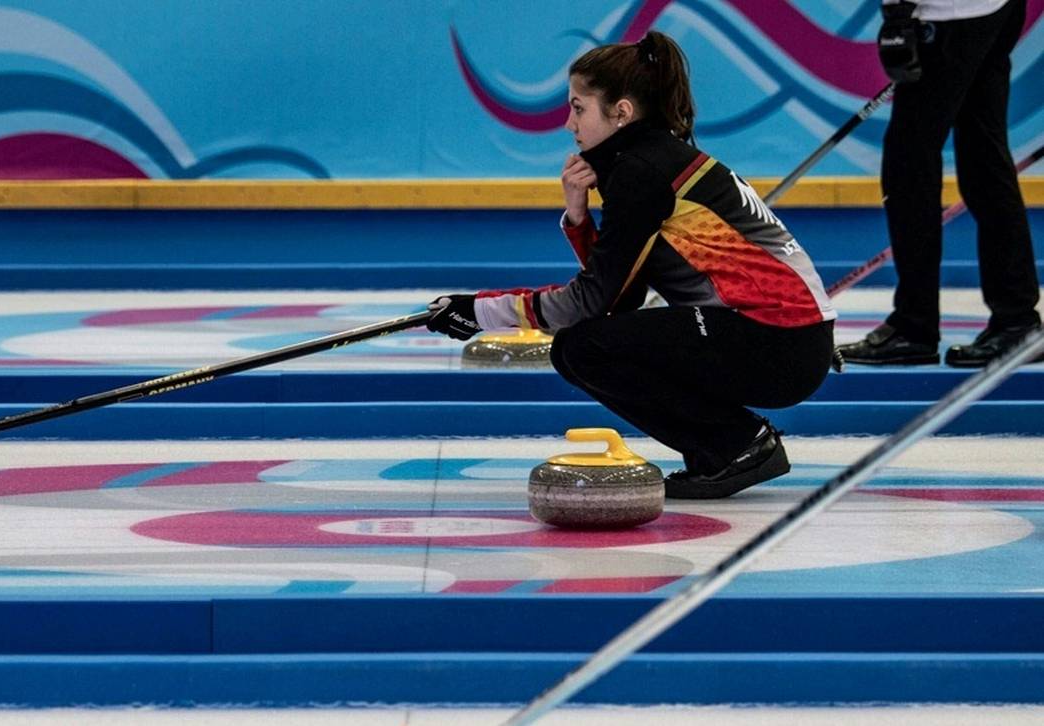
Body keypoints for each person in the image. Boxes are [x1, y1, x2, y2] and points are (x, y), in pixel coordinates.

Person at [426, 32, 837, 500]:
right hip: (788, 342)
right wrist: (579, 219)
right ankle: (733, 442)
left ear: (621, 112)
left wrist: (481, 311)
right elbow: (623, 297)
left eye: (579, 108)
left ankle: (736, 444)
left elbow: (591, 301)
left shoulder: (641, 173)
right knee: (591, 344)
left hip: (776, 344)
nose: (568, 123)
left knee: (582, 348)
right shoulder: (650, 160)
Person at [838, 0, 1040, 366]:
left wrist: (899, 13)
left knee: (909, 166)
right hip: (991, 9)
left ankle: (914, 327)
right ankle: (1016, 320)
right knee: (984, 162)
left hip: (951, 15)